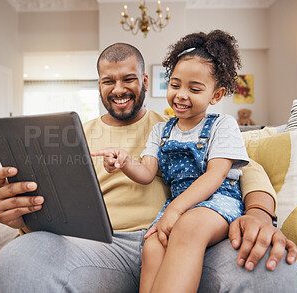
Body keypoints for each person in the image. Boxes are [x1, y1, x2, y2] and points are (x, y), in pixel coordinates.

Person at [0, 40, 297, 292]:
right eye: (108, 81)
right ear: (98, 85)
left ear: (145, 81)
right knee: (18, 261)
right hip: (101, 249)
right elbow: (50, 210)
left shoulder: (178, 125)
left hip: (188, 242)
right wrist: (20, 216)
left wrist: (259, 215)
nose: (118, 89)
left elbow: (245, 169)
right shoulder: (69, 137)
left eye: (128, 79)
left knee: (272, 266)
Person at [92, 30, 251, 293]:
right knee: (153, 244)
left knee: (188, 229)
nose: (181, 95)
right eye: (175, 85)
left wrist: (176, 211)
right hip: (177, 206)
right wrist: (124, 161)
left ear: (216, 95)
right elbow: (146, 172)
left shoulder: (223, 125)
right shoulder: (161, 130)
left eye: (195, 88)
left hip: (216, 200)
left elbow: (215, 176)